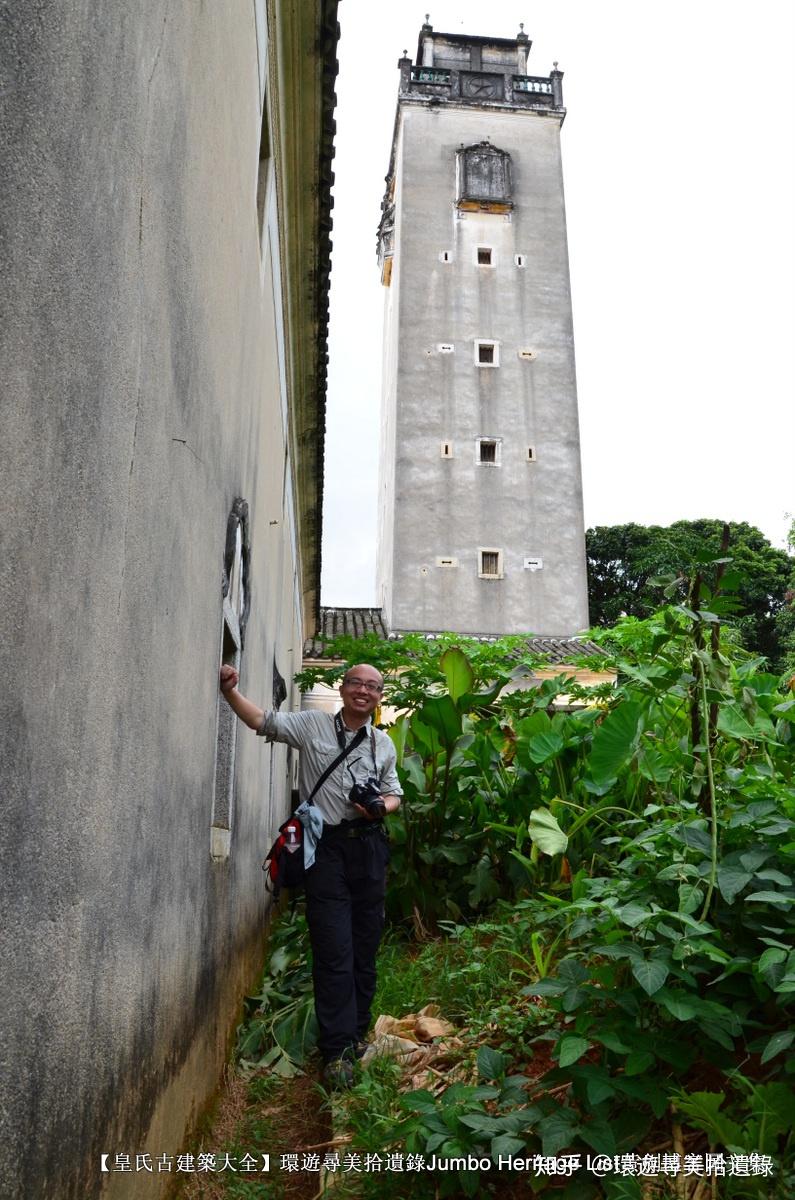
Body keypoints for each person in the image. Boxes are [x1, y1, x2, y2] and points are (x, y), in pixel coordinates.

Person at [219, 661, 402, 1088]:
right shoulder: (313, 726)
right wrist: (230, 691)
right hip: (326, 849)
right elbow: (262, 720)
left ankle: (357, 1034)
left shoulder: (383, 744)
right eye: (356, 682)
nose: (364, 691)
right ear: (342, 689)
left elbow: (395, 794)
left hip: (370, 846)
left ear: (379, 697)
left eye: (373, 686)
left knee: (364, 945)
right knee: (333, 947)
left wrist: (379, 807)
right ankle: (337, 1050)